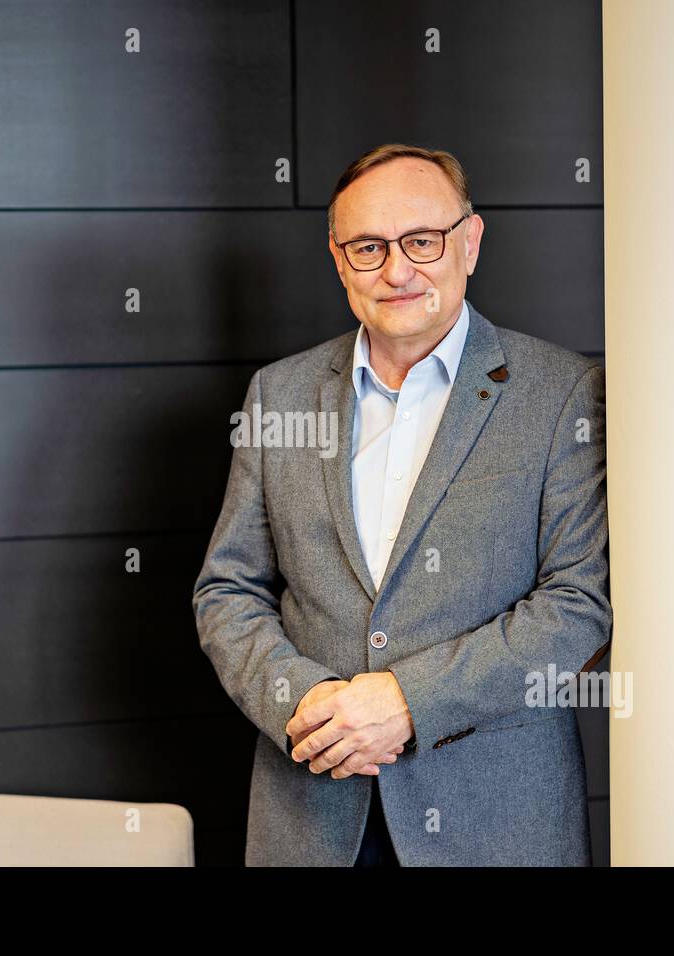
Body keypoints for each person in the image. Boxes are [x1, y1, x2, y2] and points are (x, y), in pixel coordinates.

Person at [192, 143, 611, 865]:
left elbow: (579, 603)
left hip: (496, 823)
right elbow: (227, 588)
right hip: (314, 810)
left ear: (469, 241)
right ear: (337, 257)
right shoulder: (280, 395)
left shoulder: (564, 393)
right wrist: (304, 703)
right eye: (367, 247)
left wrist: (407, 702)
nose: (397, 270)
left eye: (422, 240)